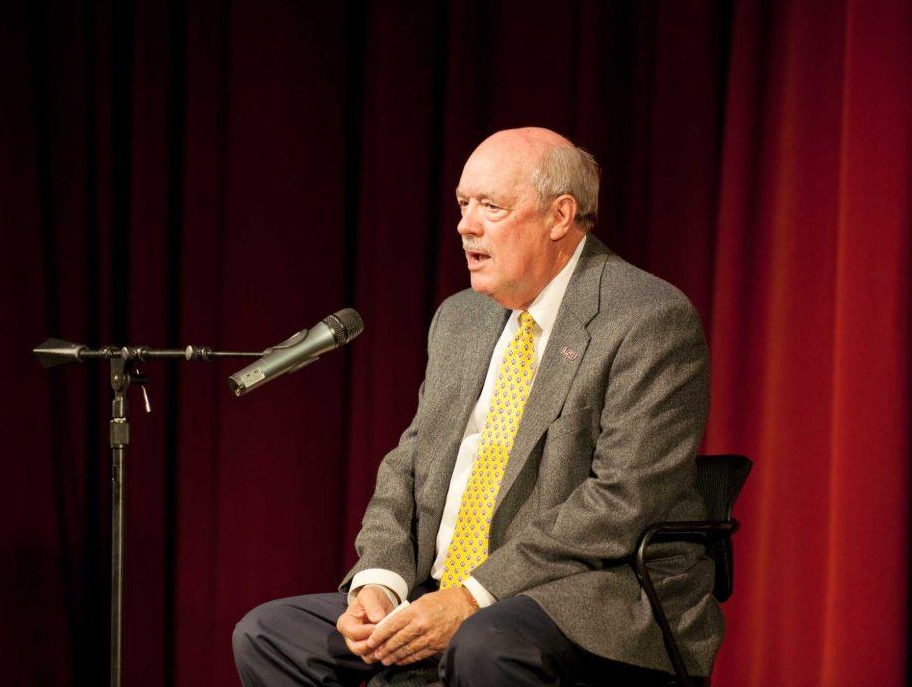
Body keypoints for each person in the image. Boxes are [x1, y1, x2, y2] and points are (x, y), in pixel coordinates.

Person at [233, 127, 723, 686]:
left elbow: (623, 499)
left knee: (485, 644)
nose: (466, 225)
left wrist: (473, 596)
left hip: (584, 594)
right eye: (464, 204)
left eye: (491, 206)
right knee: (270, 635)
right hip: (440, 590)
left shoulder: (645, 318)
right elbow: (409, 463)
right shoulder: (460, 318)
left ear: (560, 216)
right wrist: (381, 580)